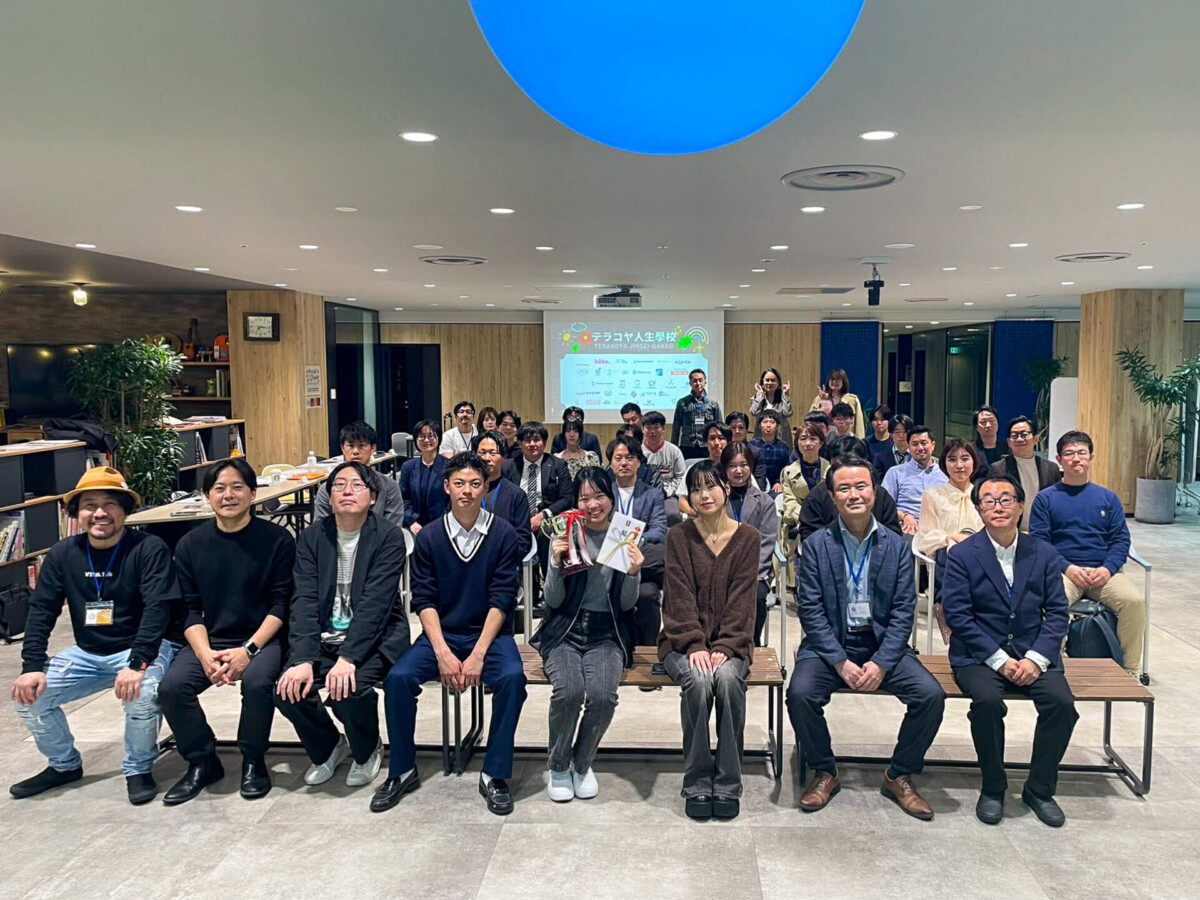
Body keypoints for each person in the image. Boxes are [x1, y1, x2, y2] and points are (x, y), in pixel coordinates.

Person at [10, 467, 180, 805]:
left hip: (139, 647)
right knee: (28, 697)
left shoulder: (148, 548)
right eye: (90, 505)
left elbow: (157, 608)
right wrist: (32, 666)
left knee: (143, 693)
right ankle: (63, 765)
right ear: (76, 513)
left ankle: (138, 768)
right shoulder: (62, 553)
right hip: (87, 652)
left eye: (109, 504)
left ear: (124, 510)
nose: (100, 513)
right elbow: (42, 610)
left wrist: (138, 663)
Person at [788, 456, 945, 820]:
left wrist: (882, 662)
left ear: (874, 492)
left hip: (882, 644)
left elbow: (904, 610)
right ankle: (824, 771)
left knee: (930, 696)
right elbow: (810, 609)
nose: (854, 495)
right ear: (832, 496)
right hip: (830, 645)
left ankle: (899, 774)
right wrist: (839, 661)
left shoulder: (897, 545)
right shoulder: (816, 545)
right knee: (799, 694)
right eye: (844, 488)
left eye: (861, 486)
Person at [376, 452, 526, 815]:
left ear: (486, 487)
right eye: (459, 483)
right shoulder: (430, 536)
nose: (466, 491)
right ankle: (402, 769)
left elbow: (502, 598)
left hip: (489, 635)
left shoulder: (503, 533)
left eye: (475, 483)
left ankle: (494, 773)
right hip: (440, 635)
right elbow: (423, 599)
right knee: (398, 679)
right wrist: (443, 652)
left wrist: (477, 654)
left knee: (512, 678)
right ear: (447, 487)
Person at [941, 475, 1077, 828]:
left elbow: (1057, 612)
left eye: (1005, 499)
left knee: (1062, 705)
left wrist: (1036, 658)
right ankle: (993, 786)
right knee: (987, 703)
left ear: (1020, 506)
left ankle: (1040, 790)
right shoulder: (962, 554)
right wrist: (999, 660)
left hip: (1033, 653)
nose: (997, 506)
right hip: (979, 654)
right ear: (978, 509)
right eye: (988, 500)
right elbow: (958, 615)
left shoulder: (1043, 553)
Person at [160, 459, 294, 804]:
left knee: (258, 683)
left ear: (253, 493)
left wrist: (248, 650)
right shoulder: (190, 544)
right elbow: (189, 610)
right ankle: (202, 761)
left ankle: (253, 759)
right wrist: (204, 654)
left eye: (237, 487)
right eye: (219, 488)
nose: (228, 495)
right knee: (173, 687)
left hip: (263, 638)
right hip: (213, 639)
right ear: (207, 496)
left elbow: (281, 605)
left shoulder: (277, 540)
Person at [274, 462, 409, 791]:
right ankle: (328, 746)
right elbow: (303, 600)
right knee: (287, 689)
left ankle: (367, 749)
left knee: (350, 688)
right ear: (329, 496)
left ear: (372, 497)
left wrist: (348, 658)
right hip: (324, 637)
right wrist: (302, 659)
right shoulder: (312, 537)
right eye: (339, 485)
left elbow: (376, 604)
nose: (347, 491)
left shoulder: (388, 537)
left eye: (357, 485)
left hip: (375, 638)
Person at [535, 468, 642, 802]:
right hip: (565, 630)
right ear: (575, 501)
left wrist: (634, 572)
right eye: (584, 498)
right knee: (569, 692)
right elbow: (553, 601)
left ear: (611, 498)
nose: (592, 504)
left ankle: (581, 763)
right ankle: (558, 765)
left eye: (599, 496)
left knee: (602, 696)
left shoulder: (623, 533)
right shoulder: (567, 530)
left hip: (606, 632)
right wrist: (555, 564)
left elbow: (626, 605)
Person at [660, 462, 758, 820]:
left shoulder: (748, 538)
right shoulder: (678, 537)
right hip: (681, 642)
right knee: (699, 681)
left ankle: (728, 782)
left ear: (726, 489)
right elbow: (678, 597)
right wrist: (695, 644)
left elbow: (744, 600)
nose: (704, 495)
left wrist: (726, 646)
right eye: (696, 489)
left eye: (711, 486)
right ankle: (697, 781)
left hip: (733, 642)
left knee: (729, 680)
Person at [1030, 430, 1147, 676]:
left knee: (1134, 602)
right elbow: (1040, 542)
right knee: (1053, 602)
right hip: (1063, 572)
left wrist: (1107, 568)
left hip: (1101, 573)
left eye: (1082, 453)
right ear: (1059, 459)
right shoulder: (1045, 499)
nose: (1076, 458)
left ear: (1091, 457)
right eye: (1069, 453)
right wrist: (1067, 567)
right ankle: (1055, 667)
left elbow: (1120, 540)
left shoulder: (1108, 498)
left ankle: (1128, 671)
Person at [914, 439, 987, 644]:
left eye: (965, 459)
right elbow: (926, 535)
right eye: (952, 459)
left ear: (974, 462)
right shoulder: (932, 495)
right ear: (944, 464)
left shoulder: (985, 493)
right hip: (948, 557)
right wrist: (949, 538)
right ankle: (949, 607)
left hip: (983, 554)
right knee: (952, 551)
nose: (959, 465)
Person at [606, 436, 668, 647]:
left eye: (630, 458)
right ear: (611, 463)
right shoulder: (603, 494)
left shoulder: (653, 494)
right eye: (618, 458)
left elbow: (658, 530)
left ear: (639, 462)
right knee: (662, 560)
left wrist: (633, 541)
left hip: (639, 563)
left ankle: (648, 650)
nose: (624, 463)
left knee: (648, 594)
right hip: (608, 564)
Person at [502, 421, 573, 602]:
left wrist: (543, 515)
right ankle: (526, 592)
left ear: (544, 442)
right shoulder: (509, 466)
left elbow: (567, 498)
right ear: (520, 443)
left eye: (537, 439)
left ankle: (550, 590)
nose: (532, 444)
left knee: (545, 535)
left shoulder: (558, 465)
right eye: (527, 440)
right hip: (517, 521)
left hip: (547, 521)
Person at [722, 442, 778, 646]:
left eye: (743, 465)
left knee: (756, 597)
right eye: (732, 466)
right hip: (720, 569)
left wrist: (748, 573)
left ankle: (751, 644)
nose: (738, 471)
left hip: (755, 571)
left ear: (751, 467)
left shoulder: (765, 502)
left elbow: (766, 542)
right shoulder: (715, 498)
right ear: (724, 468)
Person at [798, 437, 903, 542]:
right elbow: (810, 537)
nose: (853, 495)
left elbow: (893, 534)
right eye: (840, 464)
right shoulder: (816, 496)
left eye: (852, 463)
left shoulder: (880, 494)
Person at [314, 420, 404, 528]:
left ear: (373, 448)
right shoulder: (328, 489)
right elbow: (319, 529)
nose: (355, 451)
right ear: (342, 448)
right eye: (350, 446)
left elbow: (393, 529)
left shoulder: (389, 486)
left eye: (362, 446)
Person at [779, 421, 830, 592]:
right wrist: (808, 518)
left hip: (825, 522)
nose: (808, 443)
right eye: (803, 439)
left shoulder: (831, 470)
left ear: (821, 443)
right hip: (798, 523)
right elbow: (789, 503)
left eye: (813, 439)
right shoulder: (788, 472)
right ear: (797, 444)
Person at [988, 416, 1061, 531]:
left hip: (1044, 532)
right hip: (1010, 533)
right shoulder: (998, 469)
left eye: (1024, 434)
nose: (1019, 439)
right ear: (1009, 442)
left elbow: (1056, 503)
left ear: (1036, 439)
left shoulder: (1051, 469)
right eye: (1014, 436)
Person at [473, 431, 533, 561]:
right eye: (482, 453)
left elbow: (523, 541)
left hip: (503, 563)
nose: (486, 458)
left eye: (493, 453)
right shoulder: (465, 491)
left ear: (504, 457)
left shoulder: (516, 495)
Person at [881, 425, 948, 539]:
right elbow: (884, 505)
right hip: (905, 527)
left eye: (924, 443)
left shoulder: (945, 473)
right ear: (909, 447)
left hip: (939, 529)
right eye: (915, 444)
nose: (920, 448)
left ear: (933, 445)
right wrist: (904, 516)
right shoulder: (895, 472)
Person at [399, 419, 447, 533]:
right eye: (421, 436)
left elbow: (452, 501)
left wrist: (442, 523)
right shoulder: (408, 467)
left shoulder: (449, 466)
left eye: (431, 436)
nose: (426, 440)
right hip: (414, 526)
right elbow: (403, 499)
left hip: (442, 525)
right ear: (416, 440)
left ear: (438, 438)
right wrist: (412, 521)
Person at [672, 368, 723, 459]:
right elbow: (676, 428)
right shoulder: (682, 402)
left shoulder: (713, 403)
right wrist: (673, 448)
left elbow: (720, 427)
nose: (698, 383)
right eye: (695, 381)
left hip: (706, 446)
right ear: (690, 383)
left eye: (700, 380)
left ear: (705, 382)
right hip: (687, 446)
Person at [641, 410, 687, 499]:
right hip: (643, 494)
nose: (652, 431)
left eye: (656, 427)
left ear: (663, 429)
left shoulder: (674, 451)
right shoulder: (637, 451)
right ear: (643, 429)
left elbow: (681, 477)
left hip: (668, 495)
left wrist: (667, 492)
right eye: (648, 428)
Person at [809, 368, 865, 437]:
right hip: (825, 437)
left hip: (846, 438)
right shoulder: (819, 399)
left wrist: (860, 440)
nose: (834, 382)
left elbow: (859, 424)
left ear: (843, 381)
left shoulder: (852, 400)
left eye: (838, 379)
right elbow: (810, 419)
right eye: (832, 379)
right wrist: (823, 402)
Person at [750, 409, 790, 492]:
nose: (768, 425)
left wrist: (779, 482)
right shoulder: (752, 445)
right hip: (755, 485)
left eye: (772, 422)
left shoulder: (783, 446)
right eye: (765, 422)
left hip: (776, 487)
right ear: (759, 426)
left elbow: (786, 468)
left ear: (777, 426)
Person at [749, 367, 793, 438]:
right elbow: (754, 412)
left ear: (778, 383)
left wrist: (785, 394)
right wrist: (760, 395)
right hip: (761, 437)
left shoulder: (783, 398)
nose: (770, 383)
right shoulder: (757, 398)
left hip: (781, 437)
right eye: (767, 380)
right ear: (762, 382)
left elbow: (788, 413)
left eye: (773, 380)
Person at [725, 412, 767, 486]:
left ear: (747, 430)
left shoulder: (756, 452)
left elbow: (760, 481)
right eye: (733, 428)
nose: (737, 431)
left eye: (741, 428)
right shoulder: (723, 451)